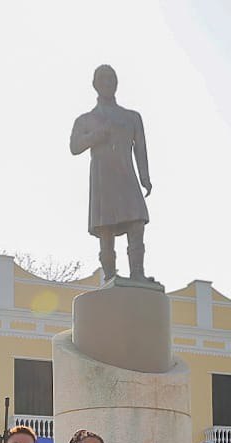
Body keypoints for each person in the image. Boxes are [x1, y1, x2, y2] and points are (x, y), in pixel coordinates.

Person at [69, 64, 153, 283]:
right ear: (95, 85)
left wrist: (145, 176)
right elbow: (74, 147)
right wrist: (97, 135)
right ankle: (110, 277)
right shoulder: (85, 120)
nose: (108, 83)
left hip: (127, 176)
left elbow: (141, 148)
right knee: (105, 229)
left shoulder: (131, 117)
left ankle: (138, 274)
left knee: (137, 223)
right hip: (103, 180)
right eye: (103, 79)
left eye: (112, 78)